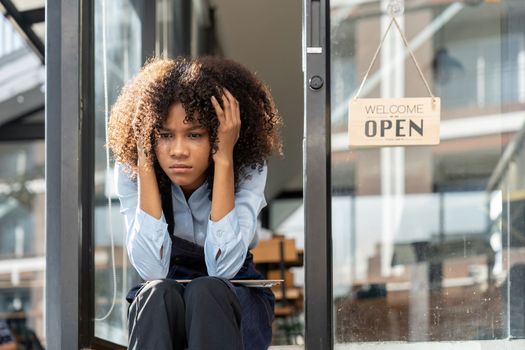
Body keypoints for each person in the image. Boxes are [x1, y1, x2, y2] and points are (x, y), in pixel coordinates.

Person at [108, 56, 282, 350]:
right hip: (166, 298)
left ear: (219, 134)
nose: (178, 151)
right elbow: (152, 269)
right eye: (164, 135)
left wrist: (224, 158)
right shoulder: (132, 170)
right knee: (156, 293)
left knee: (207, 291)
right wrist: (146, 162)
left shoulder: (248, 169)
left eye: (194, 135)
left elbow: (223, 268)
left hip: (233, 292)